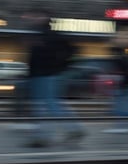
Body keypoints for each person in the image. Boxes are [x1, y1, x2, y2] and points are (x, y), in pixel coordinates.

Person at [25, 15, 84, 147]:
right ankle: (72, 129)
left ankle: (44, 136)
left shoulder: (49, 36)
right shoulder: (41, 35)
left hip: (46, 74)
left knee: (45, 105)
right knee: (49, 104)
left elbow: (71, 51)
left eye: (36, 15)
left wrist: (57, 67)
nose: (32, 18)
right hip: (41, 75)